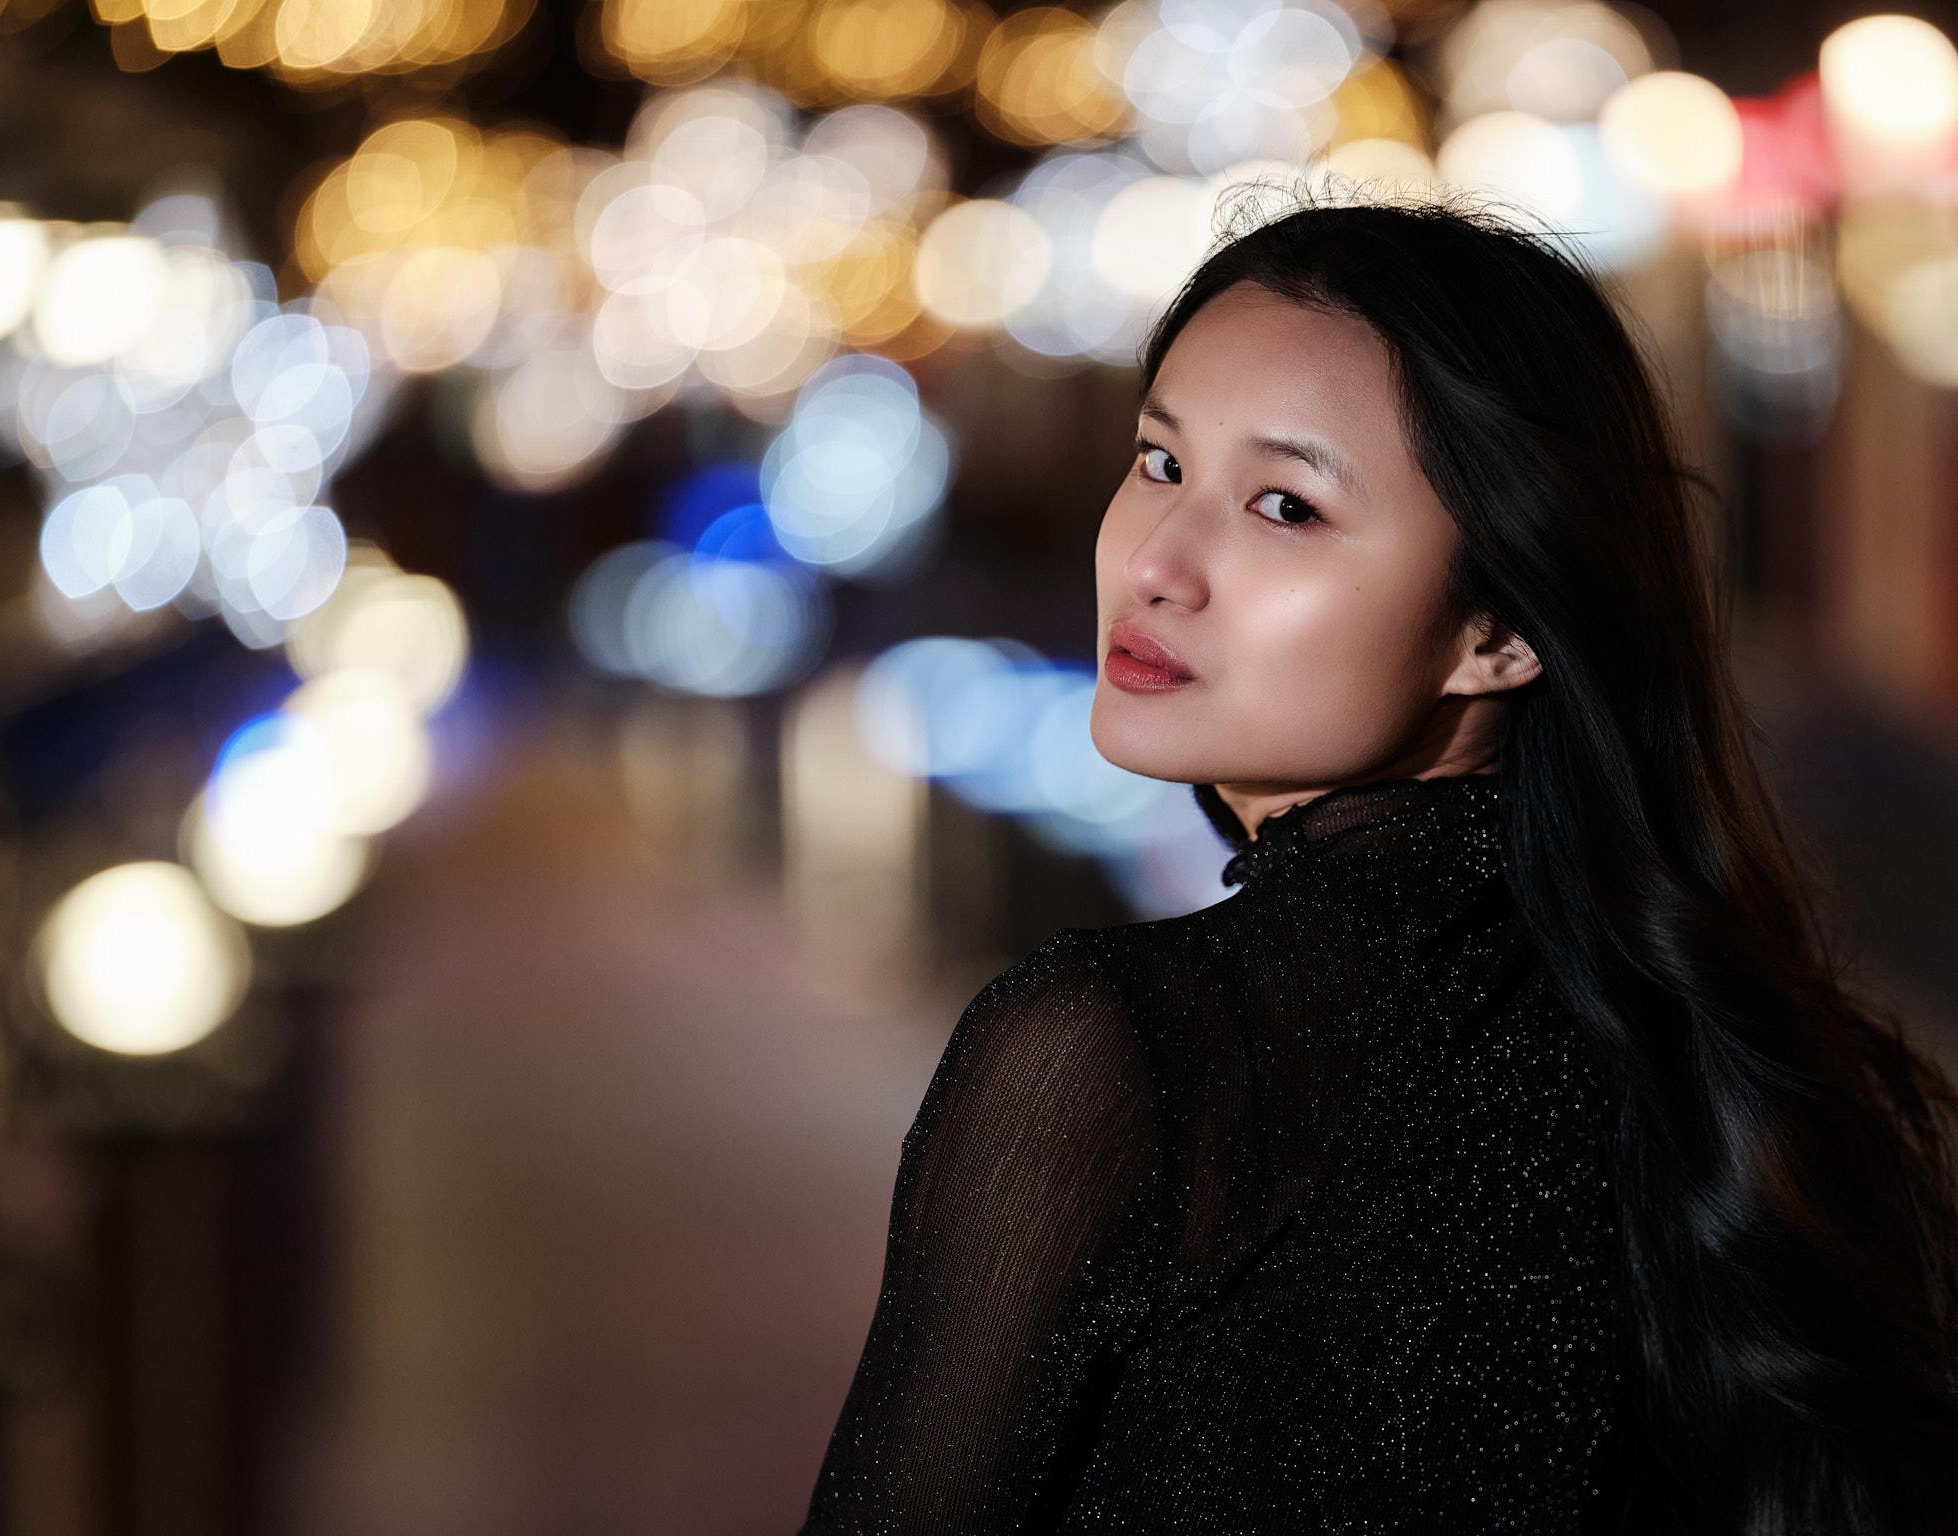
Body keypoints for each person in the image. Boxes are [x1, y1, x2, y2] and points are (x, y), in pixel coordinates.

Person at [796, 184, 1958, 1533]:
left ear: (1500, 631)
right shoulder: (1741, 1065)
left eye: (1285, 506)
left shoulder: (1125, 1054)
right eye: (1162, 461)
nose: (1159, 562)